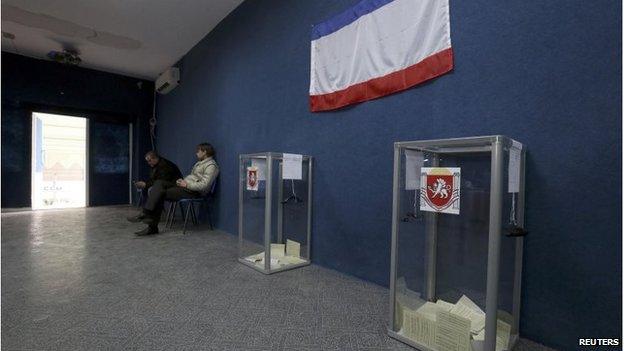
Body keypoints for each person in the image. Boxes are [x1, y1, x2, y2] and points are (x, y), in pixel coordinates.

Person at [128, 143, 219, 236]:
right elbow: (193, 178)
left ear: (205, 152)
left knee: (159, 194)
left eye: (198, 151)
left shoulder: (211, 166)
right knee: (159, 183)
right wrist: (182, 181)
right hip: (185, 187)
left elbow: (204, 185)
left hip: (193, 192)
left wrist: (186, 184)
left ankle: (150, 223)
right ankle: (147, 215)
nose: (196, 153)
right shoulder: (199, 164)